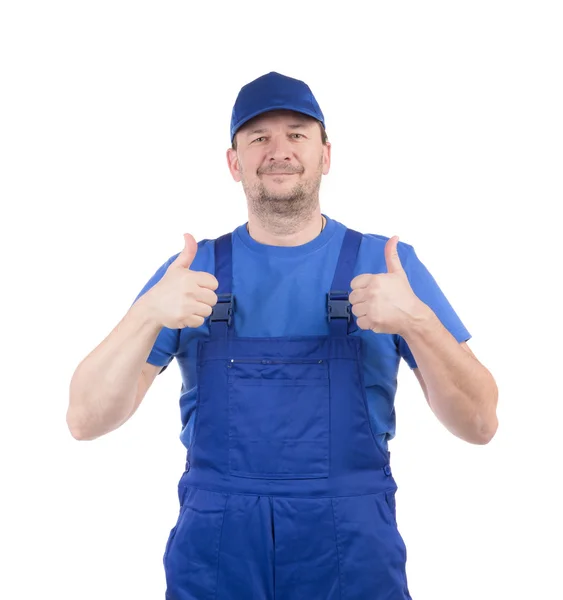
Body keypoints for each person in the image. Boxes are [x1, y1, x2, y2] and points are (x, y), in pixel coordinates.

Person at [67, 71, 499, 599]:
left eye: (297, 134)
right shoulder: (192, 272)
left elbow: (480, 423)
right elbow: (85, 420)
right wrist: (146, 314)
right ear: (234, 162)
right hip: (219, 550)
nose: (279, 150)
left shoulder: (387, 267)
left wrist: (418, 321)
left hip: (353, 549)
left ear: (325, 154)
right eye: (258, 137)